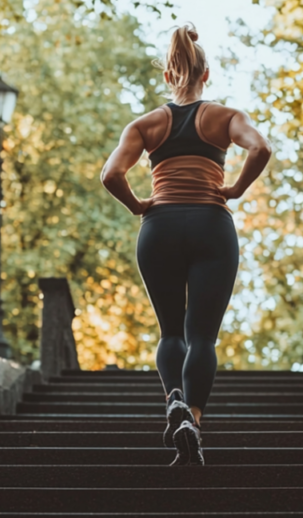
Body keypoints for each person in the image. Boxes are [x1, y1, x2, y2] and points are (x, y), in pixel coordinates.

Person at [99, 23, 272, 466]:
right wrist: (234, 189)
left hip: (159, 227)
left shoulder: (145, 124)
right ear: (206, 74)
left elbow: (110, 175)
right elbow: (261, 150)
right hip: (211, 225)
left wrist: (140, 204)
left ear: (167, 77)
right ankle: (192, 419)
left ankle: (173, 398)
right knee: (202, 336)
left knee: (170, 331)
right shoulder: (225, 117)